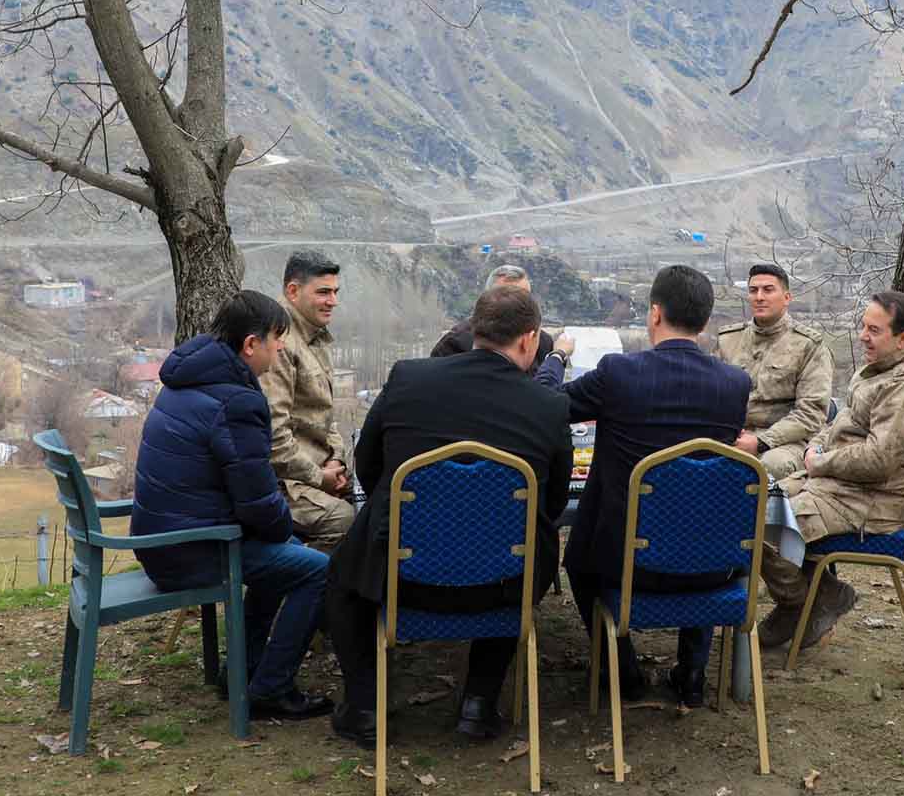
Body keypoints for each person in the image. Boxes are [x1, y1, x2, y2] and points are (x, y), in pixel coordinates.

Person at [325, 286, 572, 748]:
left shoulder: (409, 379)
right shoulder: (549, 406)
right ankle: (478, 704)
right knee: (526, 542)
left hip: (400, 574)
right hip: (502, 581)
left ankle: (364, 707)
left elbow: (369, 464)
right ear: (530, 340)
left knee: (342, 578)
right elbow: (553, 503)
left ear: (475, 330)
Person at [539, 265, 752, 707]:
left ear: (655, 313)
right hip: (709, 564)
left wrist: (556, 358)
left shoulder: (619, 373)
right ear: (706, 321)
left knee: (577, 562)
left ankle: (622, 671)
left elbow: (545, 407)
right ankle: (692, 675)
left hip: (624, 563)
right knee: (701, 530)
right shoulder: (734, 385)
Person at [129, 290, 332, 720]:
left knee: (280, 559)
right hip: (192, 550)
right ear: (250, 345)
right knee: (315, 569)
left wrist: (276, 530)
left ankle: (242, 672)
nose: (280, 349)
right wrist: (286, 529)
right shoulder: (236, 401)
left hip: (162, 541)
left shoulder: (187, 379)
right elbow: (258, 503)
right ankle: (271, 688)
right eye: (276, 339)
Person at [758, 291, 904, 659]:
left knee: (758, 527)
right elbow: (839, 425)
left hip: (867, 501)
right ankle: (820, 595)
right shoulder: (884, 366)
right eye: (863, 326)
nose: (863, 335)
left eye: (874, 330)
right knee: (746, 503)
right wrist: (813, 449)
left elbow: (879, 460)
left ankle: (804, 603)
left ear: (903, 339)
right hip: (838, 486)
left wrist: (822, 462)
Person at [260, 250, 354, 553]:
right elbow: (274, 437)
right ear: (293, 291)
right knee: (343, 519)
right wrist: (320, 477)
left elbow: (326, 419)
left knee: (383, 504)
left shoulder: (316, 338)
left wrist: (337, 458)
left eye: (335, 292)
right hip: (285, 482)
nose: (333, 301)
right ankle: (304, 592)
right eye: (323, 292)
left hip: (320, 470)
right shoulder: (279, 344)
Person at [715, 263, 833, 481]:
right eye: (753, 291)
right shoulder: (728, 340)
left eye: (768, 290)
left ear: (786, 297)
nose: (759, 297)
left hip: (786, 441)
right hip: (733, 435)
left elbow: (812, 413)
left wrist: (761, 441)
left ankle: (768, 517)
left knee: (767, 468)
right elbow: (712, 398)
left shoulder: (808, 346)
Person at [430, 264, 556, 369]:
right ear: (487, 297)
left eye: (523, 297)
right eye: (505, 295)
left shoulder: (542, 342)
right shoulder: (454, 343)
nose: (514, 303)